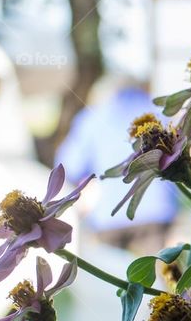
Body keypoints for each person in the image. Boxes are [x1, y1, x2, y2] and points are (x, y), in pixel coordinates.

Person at [55, 80, 178, 252]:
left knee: (110, 268)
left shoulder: (90, 118)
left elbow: (69, 167)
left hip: (109, 218)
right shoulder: (159, 113)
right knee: (156, 266)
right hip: (155, 214)